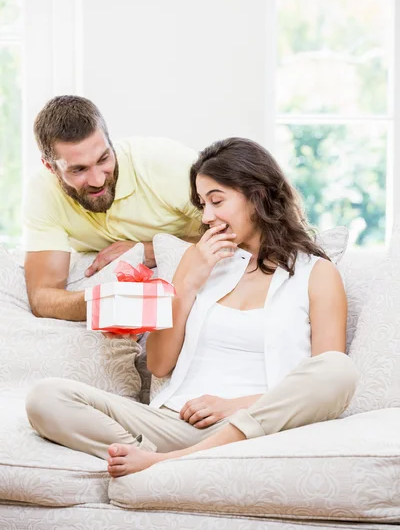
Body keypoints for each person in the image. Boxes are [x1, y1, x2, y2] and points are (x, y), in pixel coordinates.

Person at [25, 137, 358, 476]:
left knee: (338, 370)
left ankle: (172, 464)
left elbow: (323, 385)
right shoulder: (199, 262)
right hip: (174, 420)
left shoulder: (316, 274)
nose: (208, 216)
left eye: (217, 201)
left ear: (257, 196)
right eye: (202, 204)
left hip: (257, 425)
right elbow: (158, 364)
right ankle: (164, 459)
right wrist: (187, 281)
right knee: (47, 397)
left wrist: (233, 406)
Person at [23, 95, 201, 321]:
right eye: (79, 170)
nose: (97, 180)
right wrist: (107, 302)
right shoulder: (43, 192)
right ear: (50, 167)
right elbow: (42, 297)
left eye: (103, 159)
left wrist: (151, 250)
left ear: (110, 142)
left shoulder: (166, 164)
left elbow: (246, 234)